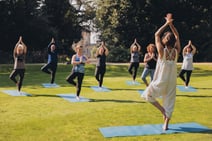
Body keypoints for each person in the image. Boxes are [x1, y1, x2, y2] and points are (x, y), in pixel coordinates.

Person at [142, 13, 181, 130]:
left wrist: (166, 23)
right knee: (169, 101)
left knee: (147, 95)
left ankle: (162, 110)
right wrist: (172, 25)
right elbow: (177, 36)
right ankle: (166, 124)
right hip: (171, 81)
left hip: (161, 80)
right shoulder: (176, 52)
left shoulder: (161, 51)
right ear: (173, 41)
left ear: (165, 40)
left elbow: (156, 34)